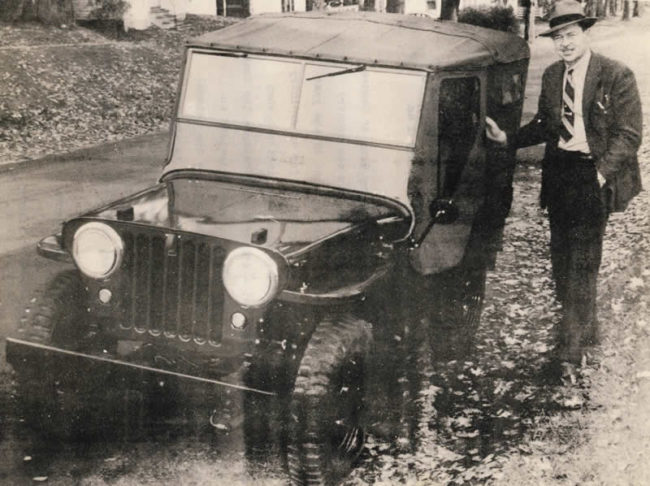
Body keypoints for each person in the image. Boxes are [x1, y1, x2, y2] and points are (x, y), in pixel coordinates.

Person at [485, 0, 643, 370]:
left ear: (585, 33)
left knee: (582, 261)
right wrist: (507, 139)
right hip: (559, 175)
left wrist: (600, 174)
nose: (565, 43)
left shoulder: (615, 74)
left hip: (593, 173)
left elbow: (629, 135)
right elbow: (545, 124)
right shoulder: (554, 75)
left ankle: (570, 347)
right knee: (561, 259)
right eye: (558, 38)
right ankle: (588, 329)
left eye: (570, 35)